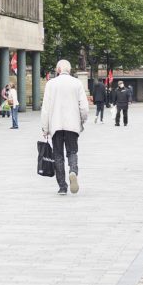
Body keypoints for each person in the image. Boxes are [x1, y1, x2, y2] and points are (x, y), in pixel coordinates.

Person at [40, 59, 87, 195]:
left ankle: (62, 186)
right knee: (72, 152)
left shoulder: (51, 84)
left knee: (58, 155)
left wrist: (45, 128)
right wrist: (82, 121)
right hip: (72, 125)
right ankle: (73, 171)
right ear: (69, 70)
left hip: (56, 126)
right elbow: (83, 107)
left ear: (58, 70)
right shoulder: (77, 83)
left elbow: (46, 109)